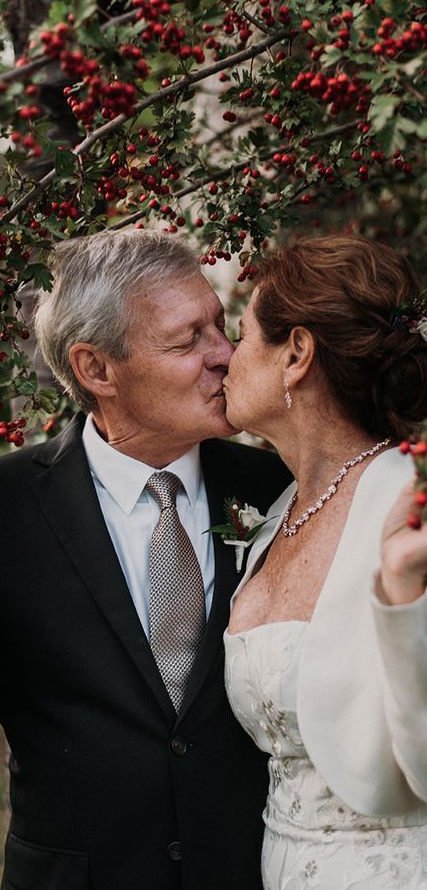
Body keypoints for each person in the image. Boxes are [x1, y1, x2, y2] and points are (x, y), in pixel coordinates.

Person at [0, 230, 291, 890]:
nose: (227, 355)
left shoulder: (273, 485)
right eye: (189, 340)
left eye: (222, 326)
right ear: (97, 369)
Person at [222, 234, 427, 888]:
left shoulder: (410, 506)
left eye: (244, 336)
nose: (226, 357)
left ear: (297, 354)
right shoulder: (276, 513)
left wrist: (402, 600)